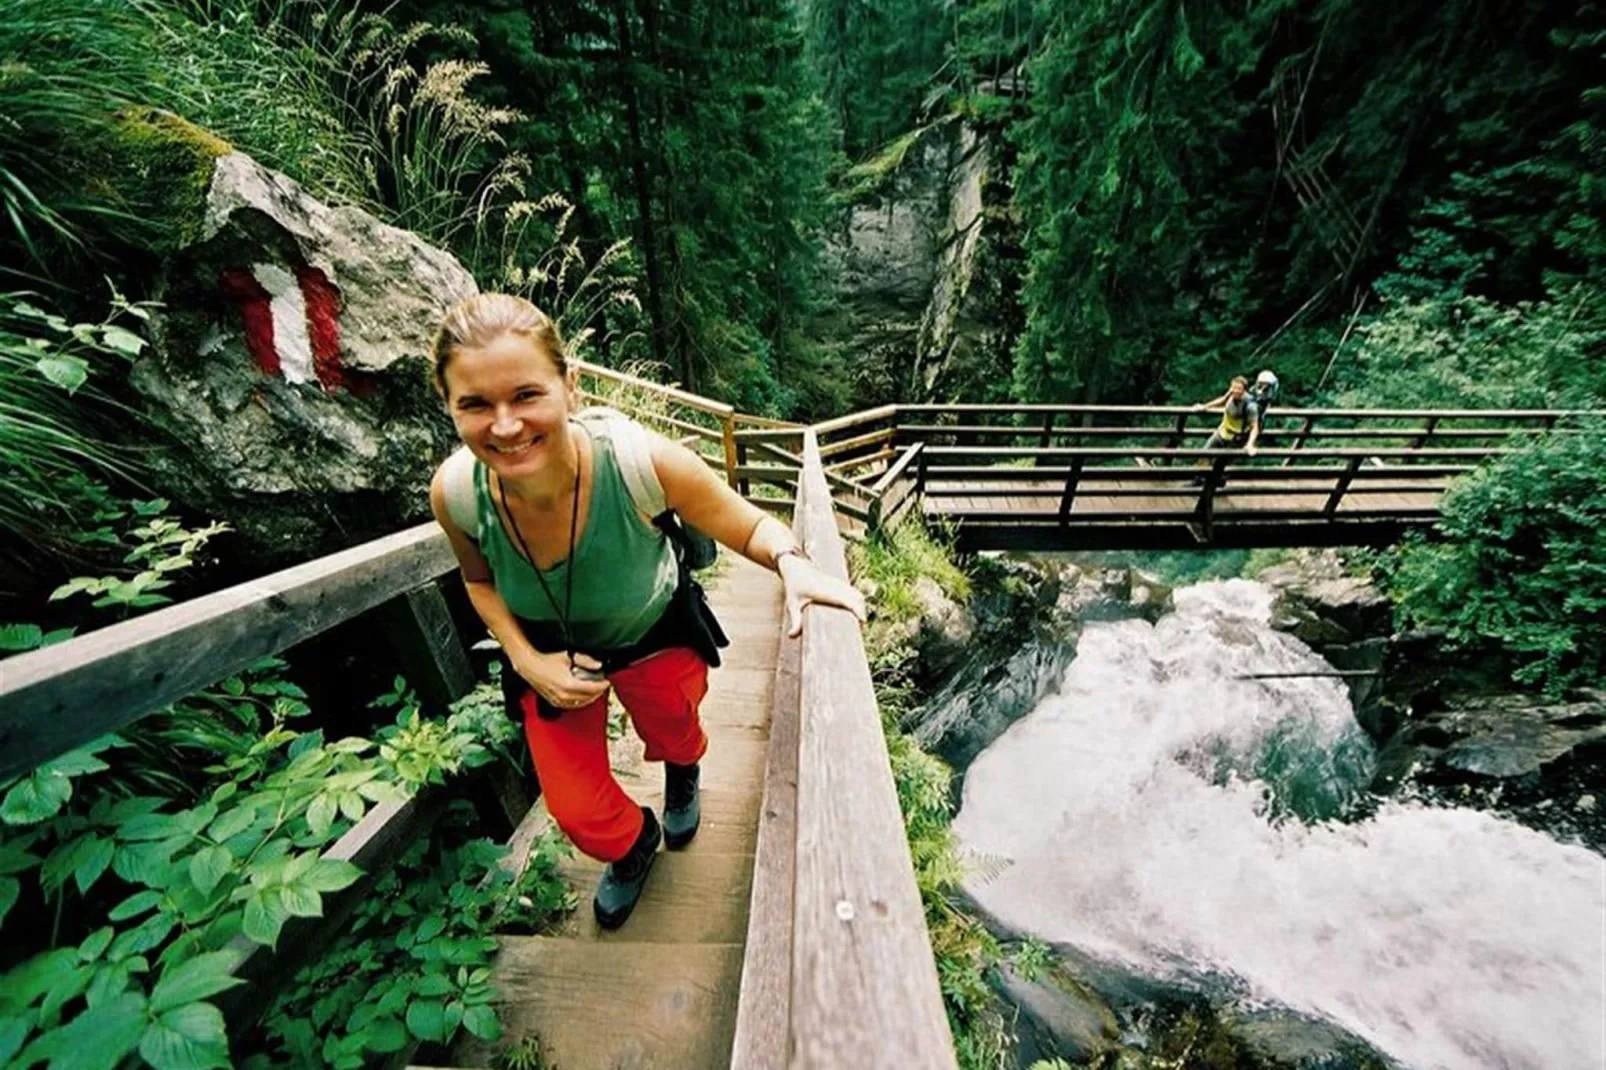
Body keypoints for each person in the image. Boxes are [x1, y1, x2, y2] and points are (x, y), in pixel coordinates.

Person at [426, 293, 865, 929]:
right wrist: (527, 660)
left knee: (674, 729)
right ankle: (633, 844)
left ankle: (682, 770)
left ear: (569, 388)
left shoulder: (640, 463)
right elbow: (479, 580)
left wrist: (794, 564)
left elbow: (745, 525)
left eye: (526, 395)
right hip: (551, 655)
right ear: (450, 408)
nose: (505, 425)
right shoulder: (458, 493)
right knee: (576, 809)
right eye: (475, 404)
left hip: (654, 632)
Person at [1194, 375, 1261, 454]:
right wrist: (1205, 407)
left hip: (1235, 439)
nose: (1235, 391)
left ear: (1244, 390)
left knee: (1220, 463)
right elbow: (1223, 400)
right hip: (1222, 431)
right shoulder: (1232, 393)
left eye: (1239, 389)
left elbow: (1255, 427)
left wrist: (1250, 444)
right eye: (1233, 387)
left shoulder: (1250, 406)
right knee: (1204, 454)